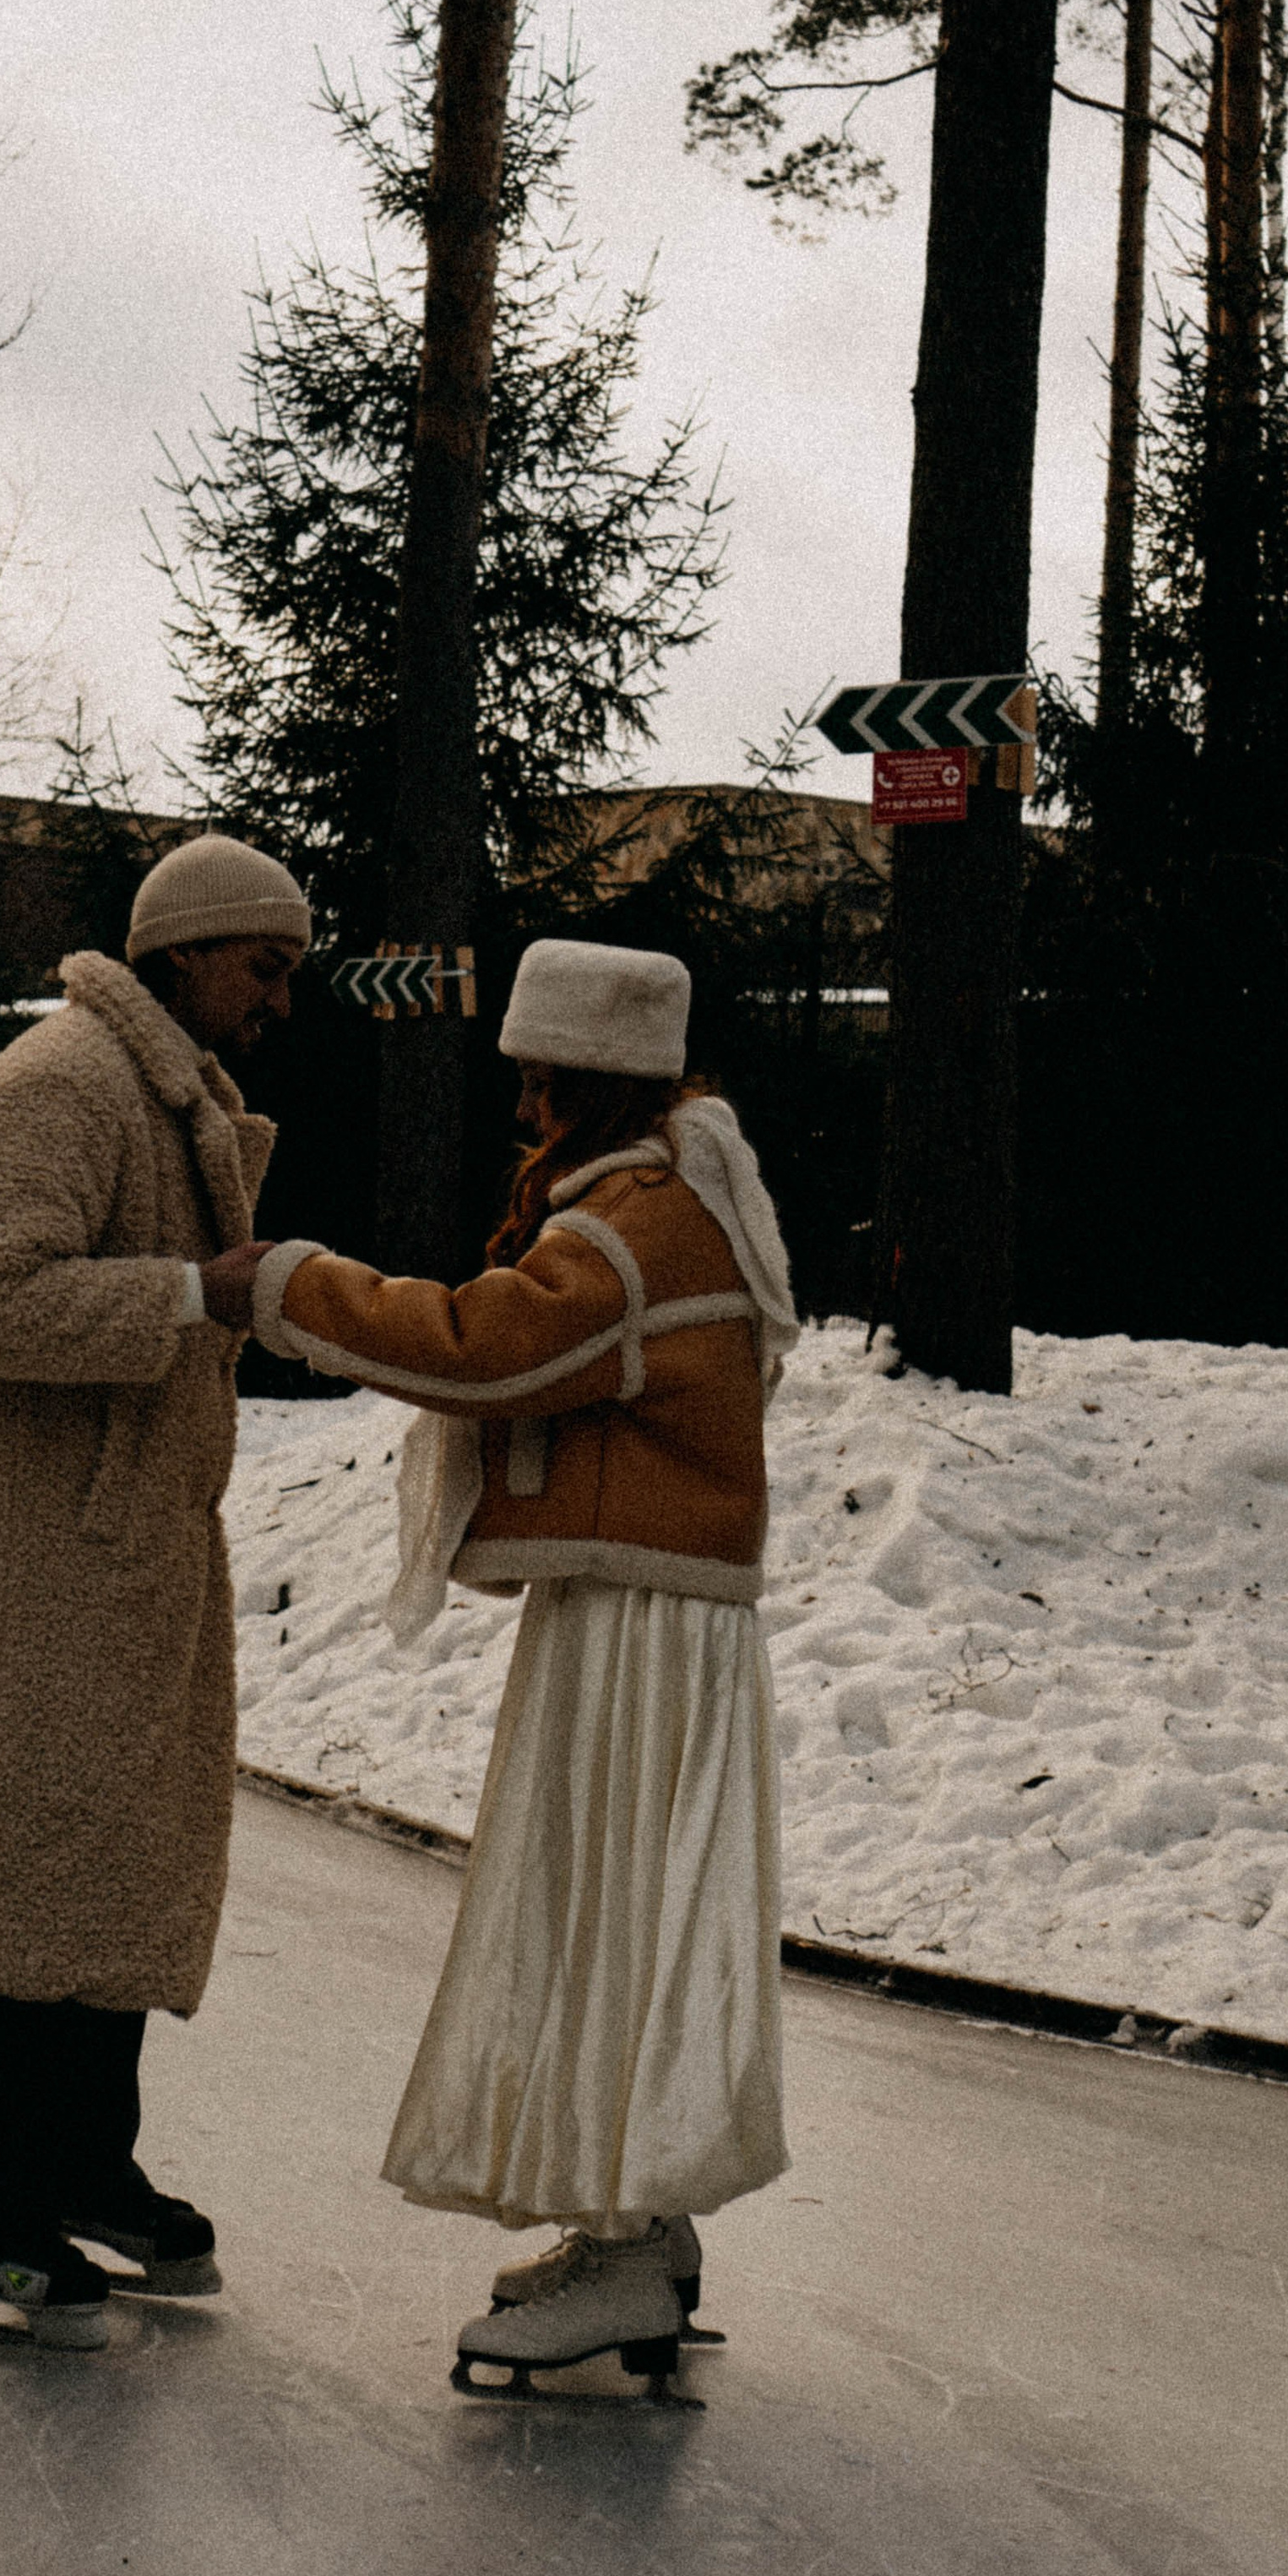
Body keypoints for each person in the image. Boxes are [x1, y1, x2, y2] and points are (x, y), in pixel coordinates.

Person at [250, 938, 798, 2395]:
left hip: (639, 1631)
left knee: (602, 1915)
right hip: (649, 1617)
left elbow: (482, 1349)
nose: (524, 1108)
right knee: (618, 1911)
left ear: (589, 1079)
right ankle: (641, 2228)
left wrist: (292, 1285)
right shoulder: (687, 1193)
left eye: (542, 1081)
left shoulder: (631, 1231)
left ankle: (623, 2252)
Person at [0, 832, 308, 2349]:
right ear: (182, 955)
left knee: (111, 1875)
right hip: (35, 1573)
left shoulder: (161, 1098)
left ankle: (79, 2164)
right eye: (262, 966)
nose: (279, 1000)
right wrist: (189, 1294)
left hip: (117, 1562)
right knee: (25, 1893)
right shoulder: (60, 1088)